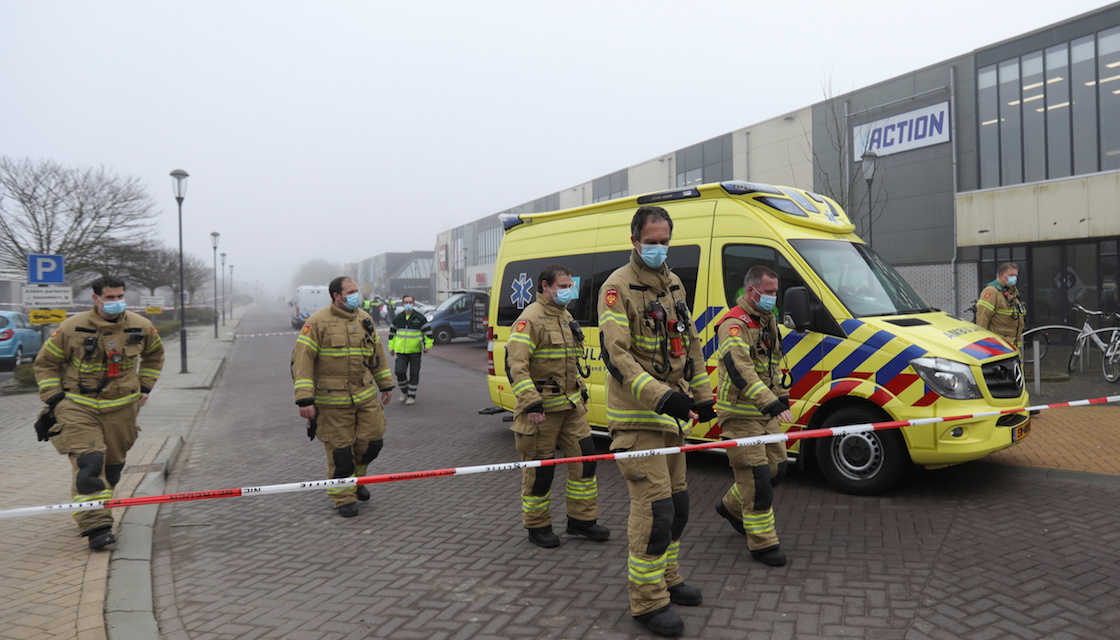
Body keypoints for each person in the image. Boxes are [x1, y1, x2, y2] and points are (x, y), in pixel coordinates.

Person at [597, 205, 716, 638]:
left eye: (665, 241)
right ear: (634, 241)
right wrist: (663, 397)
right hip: (637, 421)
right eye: (652, 241)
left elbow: (691, 344)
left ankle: (668, 577)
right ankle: (647, 601)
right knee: (655, 511)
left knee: (678, 508)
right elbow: (617, 356)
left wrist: (702, 397)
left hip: (671, 422)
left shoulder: (674, 284)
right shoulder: (617, 287)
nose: (659, 248)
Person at [33, 276, 165, 550]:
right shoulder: (72, 327)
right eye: (110, 297)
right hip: (78, 406)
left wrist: (145, 386)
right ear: (96, 298)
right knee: (90, 463)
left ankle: (97, 506)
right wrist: (55, 398)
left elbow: (154, 355)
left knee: (112, 468)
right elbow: (46, 363)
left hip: (122, 408)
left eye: (120, 296)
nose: (116, 302)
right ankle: (97, 527)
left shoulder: (140, 326)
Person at [506, 264, 609, 548]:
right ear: (545, 286)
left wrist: (581, 392)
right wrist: (531, 404)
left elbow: (570, 363)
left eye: (570, 286)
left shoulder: (565, 317)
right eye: (563, 286)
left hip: (571, 408)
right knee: (540, 472)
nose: (569, 291)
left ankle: (581, 521)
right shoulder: (530, 319)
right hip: (541, 412)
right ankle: (537, 526)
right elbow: (515, 365)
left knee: (585, 460)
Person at [291, 276, 394, 517]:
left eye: (357, 290)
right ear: (336, 295)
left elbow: (377, 354)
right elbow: (302, 361)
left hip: (365, 396)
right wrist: (304, 399)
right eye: (351, 292)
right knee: (341, 453)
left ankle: (356, 481)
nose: (356, 295)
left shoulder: (364, 319)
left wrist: (386, 385)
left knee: (372, 443)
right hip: (332, 403)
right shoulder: (317, 322)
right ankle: (343, 498)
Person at [712, 265, 791, 567]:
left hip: (764, 411)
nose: (773, 297)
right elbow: (740, 369)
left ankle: (732, 507)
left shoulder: (767, 320)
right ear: (751, 290)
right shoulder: (734, 324)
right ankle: (763, 543)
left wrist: (781, 396)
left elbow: (773, 363)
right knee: (757, 479)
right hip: (740, 414)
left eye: (775, 292)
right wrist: (771, 403)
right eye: (769, 292)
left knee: (777, 469)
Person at [388, 295, 434, 405]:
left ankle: (411, 396)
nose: (408, 304)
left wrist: (428, 346)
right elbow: (392, 334)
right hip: (401, 351)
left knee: (414, 373)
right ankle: (404, 391)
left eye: (410, 302)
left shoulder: (420, 318)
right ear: (403, 304)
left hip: (415, 351)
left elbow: (428, 333)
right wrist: (391, 348)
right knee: (399, 372)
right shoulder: (398, 318)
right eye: (406, 302)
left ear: (413, 304)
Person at [975, 262, 1025, 351]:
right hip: (998, 345)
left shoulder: (1012, 292)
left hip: (1012, 345)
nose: (1014, 278)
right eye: (1011, 275)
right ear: (1002, 275)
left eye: (1016, 275)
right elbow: (983, 317)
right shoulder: (992, 291)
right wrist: (982, 342)